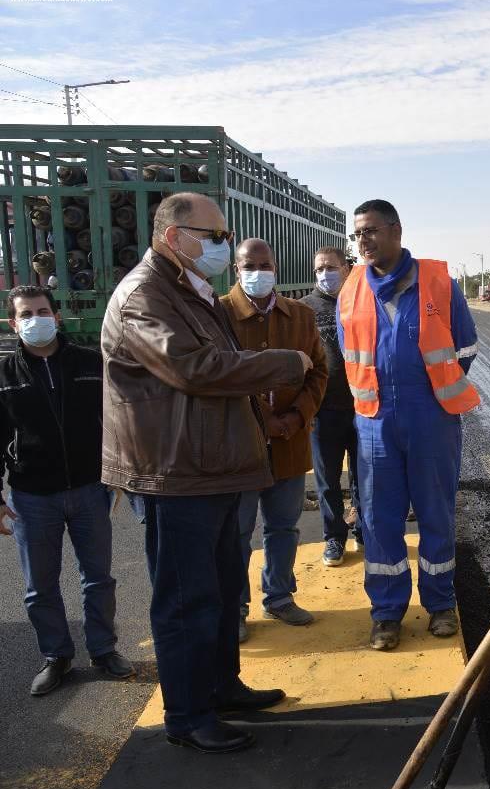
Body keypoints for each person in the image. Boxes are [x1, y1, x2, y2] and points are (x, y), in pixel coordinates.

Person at [101, 192, 313, 754]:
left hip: (213, 468)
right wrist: (286, 362)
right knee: (185, 599)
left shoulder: (193, 292)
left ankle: (222, 686)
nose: (224, 246)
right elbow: (195, 369)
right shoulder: (145, 296)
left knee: (219, 591)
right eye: (215, 236)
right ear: (175, 237)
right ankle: (189, 714)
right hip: (176, 473)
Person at [338, 199, 479, 651]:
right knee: (380, 519)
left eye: (372, 231)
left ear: (397, 231)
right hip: (375, 424)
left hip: (432, 420)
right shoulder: (351, 288)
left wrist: (435, 391)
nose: (364, 241)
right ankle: (386, 614)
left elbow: (466, 349)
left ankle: (439, 605)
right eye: (358, 234)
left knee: (436, 513)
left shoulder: (439, 283)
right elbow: (349, 353)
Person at [0, 286, 132, 696]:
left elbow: (115, 422)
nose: (35, 319)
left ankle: (103, 649)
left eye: (42, 311)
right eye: (26, 314)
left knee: (98, 578)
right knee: (40, 585)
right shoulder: (4, 377)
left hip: (91, 490)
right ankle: (56, 656)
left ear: (57, 317)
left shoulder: (90, 364)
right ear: (13, 322)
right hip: (31, 497)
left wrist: (118, 473)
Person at [222, 239, 328, 641]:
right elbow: (217, 374)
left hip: (289, 442)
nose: (259, 272)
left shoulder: (299, 315)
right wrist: (261, 420)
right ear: (236, 269)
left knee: (283, 528)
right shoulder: (219, 314)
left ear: (277, 269)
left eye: (266, 264)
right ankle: (235, 607)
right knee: (236, 533)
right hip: (239, 449)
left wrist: (295, 417)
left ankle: (279, 596)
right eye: (250, 265)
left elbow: (319, 371)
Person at [301, 247, 363, 568]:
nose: (325, 273)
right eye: (319, 269)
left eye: (330, 267)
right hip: (324, 413)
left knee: (363, 477)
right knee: (326, 482)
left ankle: (363, 529)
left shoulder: (361, 304)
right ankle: (334, 536)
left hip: (363, 409)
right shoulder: (304, 310)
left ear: (347, 268)